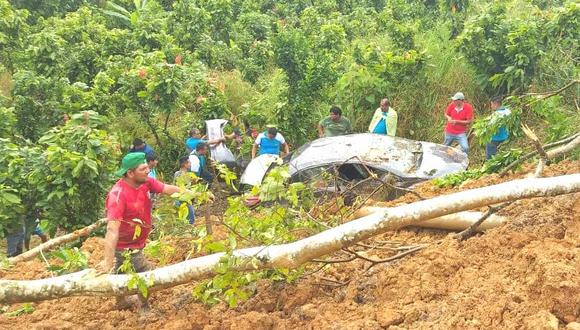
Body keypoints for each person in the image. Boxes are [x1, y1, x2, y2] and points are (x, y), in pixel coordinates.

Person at [97, 152, 189, 310]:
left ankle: (120, 301)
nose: (148, 170)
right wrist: (107, 260)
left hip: (138, 241)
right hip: (125, 246)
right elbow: (112, 229)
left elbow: (167, 189)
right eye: (143, 168)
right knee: (146, 273)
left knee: (122, 270)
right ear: (130, 173)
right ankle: (144, 307)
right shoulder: (117, 195)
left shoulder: (145, 182)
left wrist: (193, 194)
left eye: (147, 167)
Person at [174, 156, 196, 225]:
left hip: (179, 199)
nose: (191, 164)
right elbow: (184, 188)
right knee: (191, 220)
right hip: (183, 201)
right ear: (185, 164)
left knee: (182, 220)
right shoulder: (185, 175)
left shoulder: (177, 173)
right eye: (189, 162)